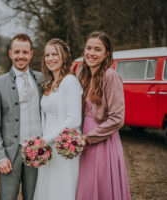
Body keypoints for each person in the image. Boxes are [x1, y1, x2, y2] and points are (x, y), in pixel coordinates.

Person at [0, 34, 43, 200]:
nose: (21, 56)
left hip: (37, 150)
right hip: (11, 153)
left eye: (25, 52)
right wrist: (0, 157)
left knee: (34, 196)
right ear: (10, 54)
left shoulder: (42, 79)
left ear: (31, 54)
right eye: (17, 52)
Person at [76, 31, 131, 200]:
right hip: (82, 137)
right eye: (89, 48)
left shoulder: (110, 76)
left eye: (97, 49)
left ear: (107, 53)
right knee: (84, 185)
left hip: (101, 140)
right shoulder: (82, 74)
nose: (91, 53)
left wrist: (88, 138)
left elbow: (117, 118)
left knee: (99, 185)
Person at [33, 38, 83, 200]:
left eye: (55, 54)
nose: (50, 58)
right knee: (47, 190)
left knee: (60, 191)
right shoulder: (48, 83)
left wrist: (46, 139)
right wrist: (42, 141)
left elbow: (74, 119)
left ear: (65, 58)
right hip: (47, 147)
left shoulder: (70, 82)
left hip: (62, 147)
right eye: (47, 55)